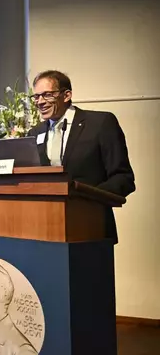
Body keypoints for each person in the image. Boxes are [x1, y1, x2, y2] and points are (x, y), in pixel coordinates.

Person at [26, 70, 135, 242]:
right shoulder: (35, 132)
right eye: (36, 96)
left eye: (47, 95)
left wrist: (87, 199)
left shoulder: (100, 123)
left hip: (91, 228)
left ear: (66, 95)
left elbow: (123, 178)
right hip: (44, 231)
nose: (40, 102)